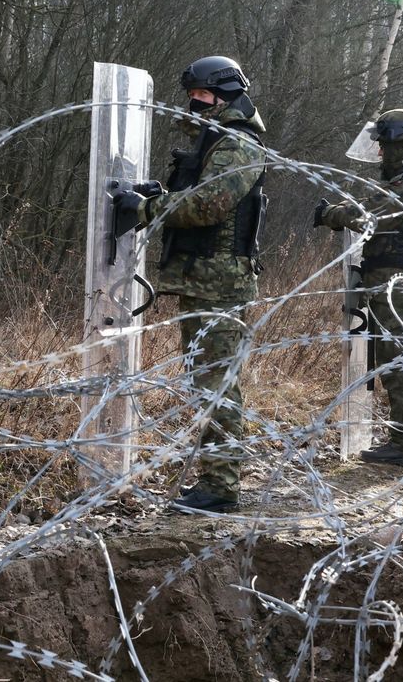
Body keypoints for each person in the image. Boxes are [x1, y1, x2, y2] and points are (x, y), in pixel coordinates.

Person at [113, 55, 267, 513]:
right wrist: (155, 196)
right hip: (204, 281)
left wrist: (143, 211)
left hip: (220, 285)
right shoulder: (216, 140)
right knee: (207, 384)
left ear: (223, 96)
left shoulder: (239, 143)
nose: (193, 105)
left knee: (217, 386)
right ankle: (215, 482)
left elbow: (210, 205)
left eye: (200, 96)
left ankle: (220, 489)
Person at [314, 109, 403, 468]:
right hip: (395, 285)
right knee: (396, 361)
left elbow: (372, 210)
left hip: (402, 287)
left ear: (397, 143)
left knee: (399, 363)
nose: (379, 153)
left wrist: (331, 214)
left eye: (383, 146)